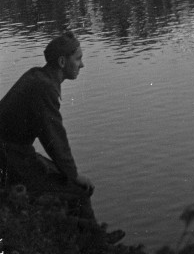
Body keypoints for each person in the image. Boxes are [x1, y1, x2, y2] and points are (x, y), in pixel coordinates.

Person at [0, 31, 124, 244]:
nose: (82, 65)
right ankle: (94, 243)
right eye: (78, 59)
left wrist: (67, 171)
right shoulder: (44, 87)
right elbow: (53, 136)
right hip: (9, 155)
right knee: (77, 189)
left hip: (14, 151)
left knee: (61, 179)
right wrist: (74, 174)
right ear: (61, 61)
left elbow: (50, 135)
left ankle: (86, 236)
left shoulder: (38, 76)